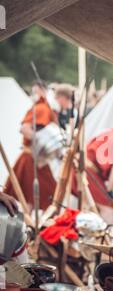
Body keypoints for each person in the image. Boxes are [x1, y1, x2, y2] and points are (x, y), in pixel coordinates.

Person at [5, 81, 57, 211]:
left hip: (35, 158)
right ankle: (27, 227)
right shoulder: (41, 108)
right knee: (30, 196)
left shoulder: (44, 107)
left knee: (40, 195)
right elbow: (25, 128)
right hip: (32, 158)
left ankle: (30, 226)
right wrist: (43, 141)